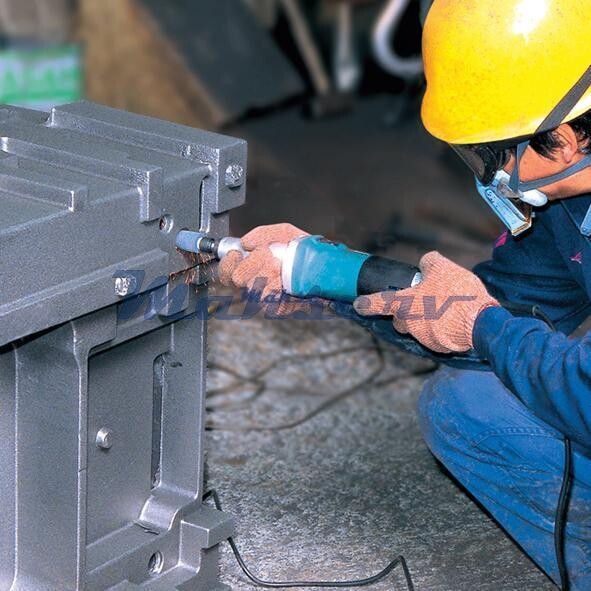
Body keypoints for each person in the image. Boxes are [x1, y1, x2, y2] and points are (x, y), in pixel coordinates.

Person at [218, 1, 591, 587]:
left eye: (489, 153)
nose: (486, 173)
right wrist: (321, 274)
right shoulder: (570, 203)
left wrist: (484, 327)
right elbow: (495, 306)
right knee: (466, 406)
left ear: (564, 139)